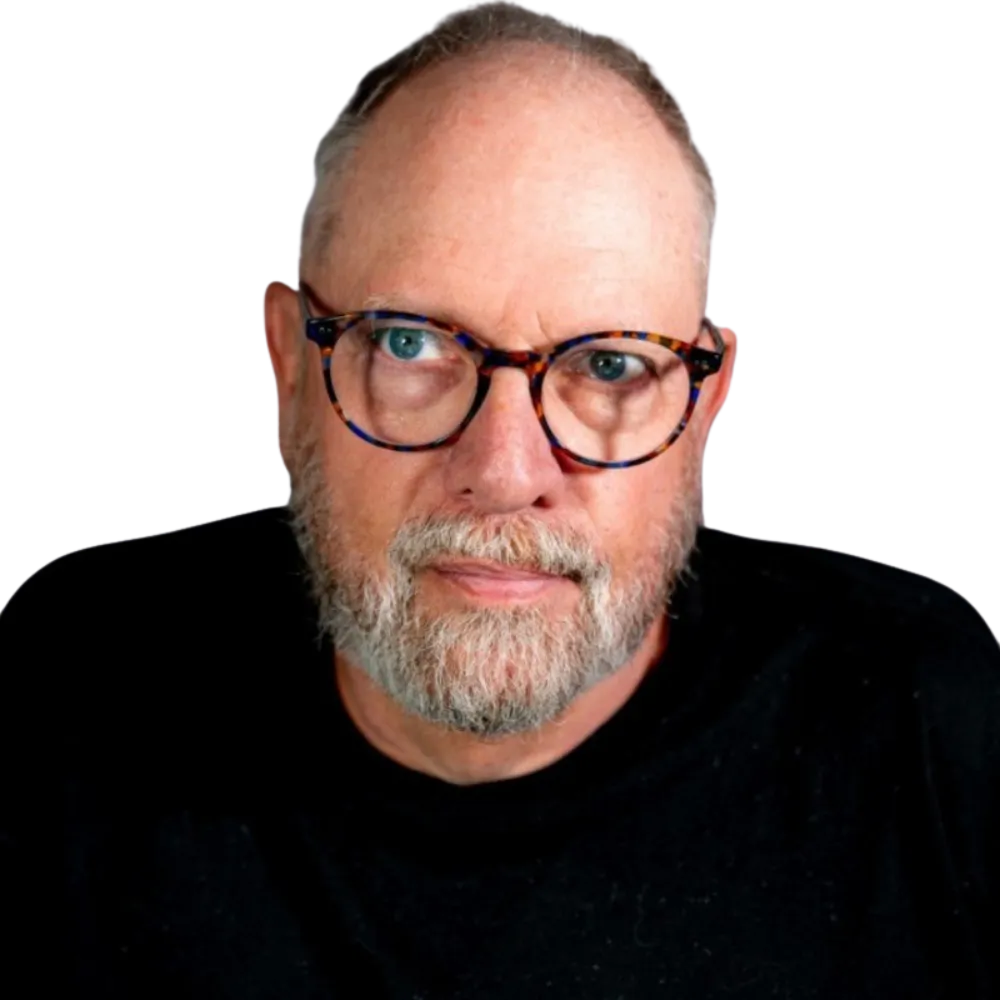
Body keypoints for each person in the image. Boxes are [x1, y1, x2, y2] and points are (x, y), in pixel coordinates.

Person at [2, 4, 995, 998]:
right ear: (288, 367)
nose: (506, 468)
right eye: (411, 344)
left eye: (608, 364)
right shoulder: (61, 689)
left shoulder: (931, 728)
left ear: (706, 404)